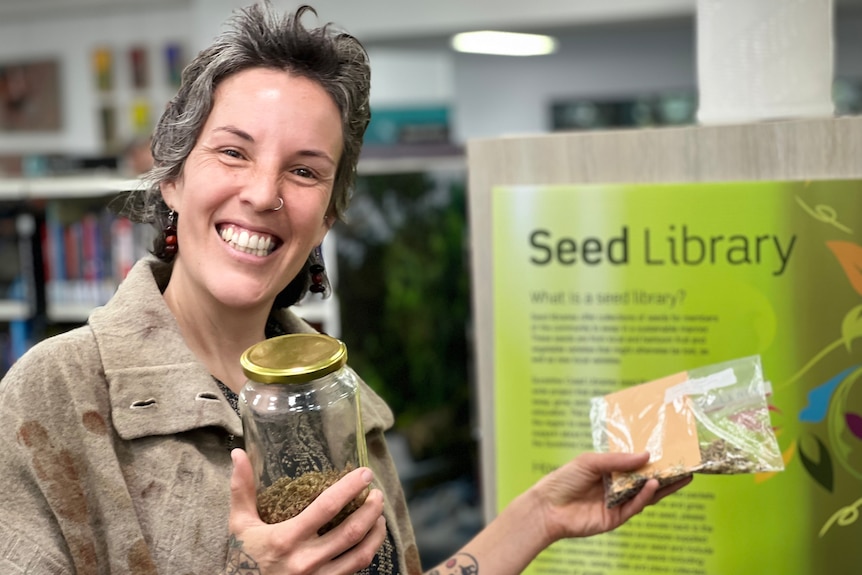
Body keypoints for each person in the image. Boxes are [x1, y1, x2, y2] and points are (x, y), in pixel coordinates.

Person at [0, 3, 691, 574]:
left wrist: (541, 514)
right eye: (234, 152)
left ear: (328, 213)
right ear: (173, 177)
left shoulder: (341, 399)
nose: (264, 193)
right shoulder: (53, 398)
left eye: (304, 171)